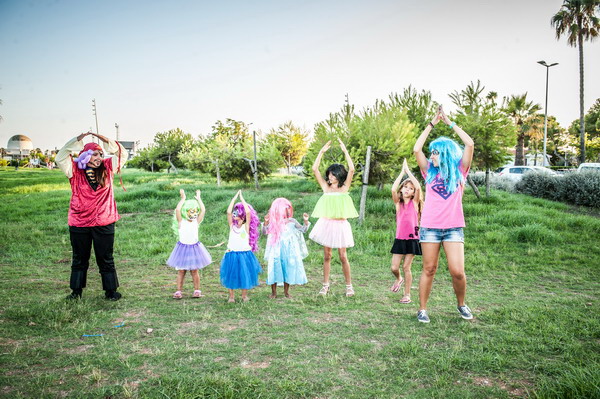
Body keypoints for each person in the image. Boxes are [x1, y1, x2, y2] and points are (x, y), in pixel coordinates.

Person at [413, 106, 474, 323]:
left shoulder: (460, 170)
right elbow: (416, 148)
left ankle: (461, 304)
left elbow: (469, 144)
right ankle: (422, 309)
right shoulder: (428, 170)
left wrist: (450, 123)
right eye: (432, 152)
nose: (432, 155)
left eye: (436, 152)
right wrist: (431, 124)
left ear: (445, 153)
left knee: (457, 271)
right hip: (430, 227)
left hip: (453, 228)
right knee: (429, 269)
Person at [56, 132, 128, 300]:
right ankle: (76, 292)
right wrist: (77, 140)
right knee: (79, 258)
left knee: (106, 258)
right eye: (95, 154)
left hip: (104, 221)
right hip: (79, 222)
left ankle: (111, 291)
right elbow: (60, 157)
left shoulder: (108, 166)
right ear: (86, 156)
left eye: (101, 154)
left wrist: (105, 140)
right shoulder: (73, 170)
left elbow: (122, 153)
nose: (99, 157)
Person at [309, 138, 358, 297]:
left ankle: (349, 286)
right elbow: (314, 168)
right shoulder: (326, 187)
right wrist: (321, 152)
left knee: (343, 256)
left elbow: (351, 169)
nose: (329, 177)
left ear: (338, 175)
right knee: (327, 256)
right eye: (329, 174)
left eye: (332, 174)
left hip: (341, 225)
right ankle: (325, 285)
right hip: (327, 224)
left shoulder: (344, 188)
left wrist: (345, 150)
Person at [167, 189, 212, 299]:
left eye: (195, 211)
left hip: (194, 249)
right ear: (185, 211)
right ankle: (178, 291)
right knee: (181, 271)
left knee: (194, 270)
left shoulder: (196, 222)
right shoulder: (181, 222)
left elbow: (203, 210)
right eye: (191, 211)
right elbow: (177, 209)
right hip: (182, 249)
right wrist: (183, 198)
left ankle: (197, 290)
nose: (194, 213)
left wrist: (199, 198)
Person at [390, 158, 423, 304]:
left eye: (411, 188)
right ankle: (399, 279)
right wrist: (402, 172)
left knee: (406, 267)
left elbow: (419, 188)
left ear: (413, 192)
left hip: (413, 239)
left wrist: (409, 171)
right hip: (400, 239)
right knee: (394, 267)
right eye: (406, 187)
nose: (408, 189)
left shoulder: (415, 204)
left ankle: (407, 294)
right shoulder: (398, 204)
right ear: (402, 189)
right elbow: (392, 189)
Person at [262, 198, 310, 298]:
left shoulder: (292, 221)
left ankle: (286, 292)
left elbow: (303, 230)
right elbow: (264, 232)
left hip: (289, 251)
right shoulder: (274, 222)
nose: (287, 210)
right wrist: (266, 223)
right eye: (285, 208)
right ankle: (273, 292)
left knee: (288, 268)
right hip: (276, 250)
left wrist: (306, 222)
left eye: (289, 208)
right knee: (275, 267)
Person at [220, 190, 262, 303]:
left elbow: (248, 213)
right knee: (231, 274)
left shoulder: (246, 227)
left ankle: (244, 296)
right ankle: (231, 296)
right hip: (232, 253)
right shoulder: (231, 226)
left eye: (237, 213)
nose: (234, 215)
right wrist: (234, 198)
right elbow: (228, 212)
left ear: (242, 216)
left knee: (245, 274)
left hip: (244, 254)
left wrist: (242, 199)